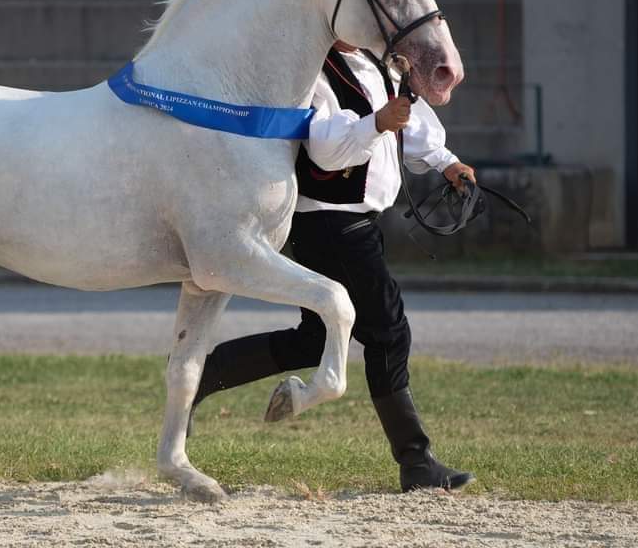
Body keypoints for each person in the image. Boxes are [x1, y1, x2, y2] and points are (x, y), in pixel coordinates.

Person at [191, 42, 475, 492]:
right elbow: (325, 148)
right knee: (387, 332)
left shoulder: (376, 62)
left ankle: (201, 375)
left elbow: (409, 123)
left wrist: (446, 163)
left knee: (315, 339)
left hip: (356, 221)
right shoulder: (317, 70)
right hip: (329, 220)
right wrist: (376, 123)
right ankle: (416, 462)